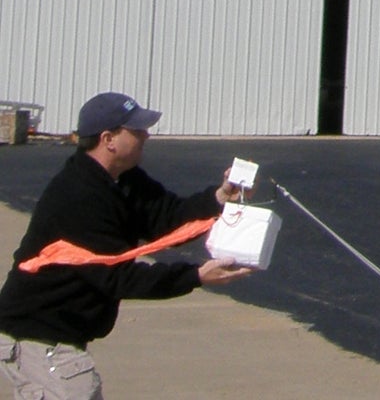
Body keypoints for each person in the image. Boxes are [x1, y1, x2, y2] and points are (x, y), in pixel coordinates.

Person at [0, 92, 251, 400]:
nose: (146, 135)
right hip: (39, 338)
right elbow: (118, 277)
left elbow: (167, 217)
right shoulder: (78, 197)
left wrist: (220, 198)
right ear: (109, 139)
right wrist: (195, 276)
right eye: (136, 130)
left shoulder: (123, 179)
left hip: (60, 336)